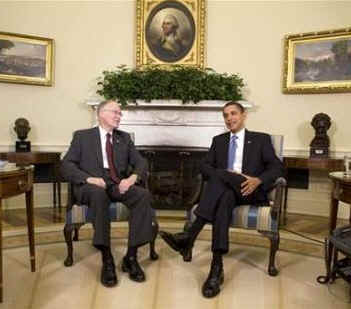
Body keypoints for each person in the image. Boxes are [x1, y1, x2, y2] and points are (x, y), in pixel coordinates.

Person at [159, 101, 285, 298]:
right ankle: (216, 268)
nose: (229, 119)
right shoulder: (219, 141)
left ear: (244, 116)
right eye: (225, 115)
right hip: (227, 192)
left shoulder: (260, 139)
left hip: (250, 190)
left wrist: (258, 180)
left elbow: (277, 167)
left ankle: (189, 237)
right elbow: (205, 167)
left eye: (233, 114)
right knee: (224, 195)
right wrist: (225, 175)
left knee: (220, 178)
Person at [61, 100, 154, 287]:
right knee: (98, 195)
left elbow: (141, 162)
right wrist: (89, 179)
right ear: (101, 113)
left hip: (116, 184)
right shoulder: (82, 137)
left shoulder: (124, 138)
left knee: (142, 195)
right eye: (115, 112)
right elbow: (66, 165)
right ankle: (107, 258)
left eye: (120, 113)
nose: (119, 116)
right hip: (91, 185)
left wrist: (131, 179)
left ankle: (131, 256)